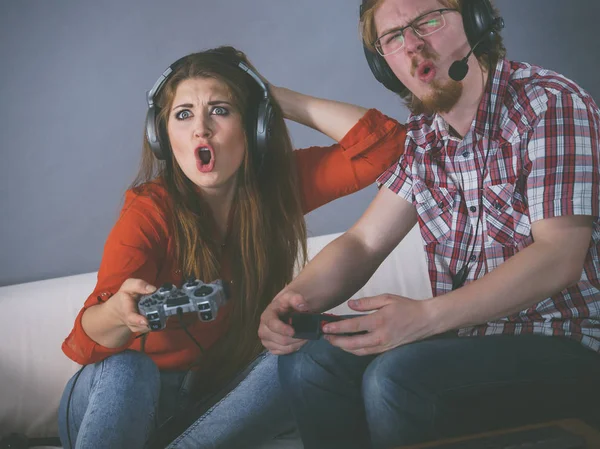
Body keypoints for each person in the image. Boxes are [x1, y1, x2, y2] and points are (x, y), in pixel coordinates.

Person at [259, 1, 600, 448]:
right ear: (384, 64)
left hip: (568, 346)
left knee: (396, 379)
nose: (414, 44)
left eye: (428, 21)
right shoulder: (425, 133)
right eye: (394, 37)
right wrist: (290, 301)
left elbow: (559, 257)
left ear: (476, 22)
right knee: (310, 365)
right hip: (470, 341)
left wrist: (425, 318)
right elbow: (363, 242)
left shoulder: (549, 104)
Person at [57, 46, 406, 449]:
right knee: (126, 369)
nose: (201, 130)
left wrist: (273, 98)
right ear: (163, 136)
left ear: (253, 126)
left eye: (220, 110)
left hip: (215, 408)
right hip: (123, 400)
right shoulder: (148, 210)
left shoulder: (277, 188)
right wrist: (117, 314)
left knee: (302, 351)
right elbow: (82, 342)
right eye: (183, 114)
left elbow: (389, 146)